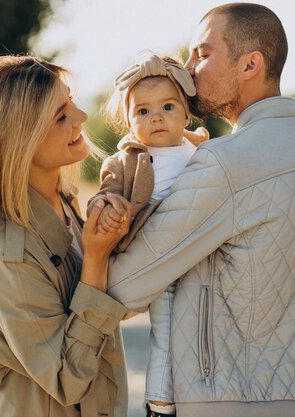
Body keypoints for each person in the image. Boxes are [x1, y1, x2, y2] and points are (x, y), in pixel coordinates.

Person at [107, 3, 295, 417]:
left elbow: (127, 286)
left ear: (251, 64)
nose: (187, 70)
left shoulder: (221, 163)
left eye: (202, 54)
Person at [0, 55, 132, 417]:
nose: (81, 117)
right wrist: (96, 258)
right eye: (61, 115)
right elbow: (66, 378)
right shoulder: (11, 250)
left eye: (70, 100)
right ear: (18, 140)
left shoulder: (63, 202)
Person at [86, 53, 208, 417]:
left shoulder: (201, 149)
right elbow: (104, 193)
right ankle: (159, 404)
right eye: (142, 111)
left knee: (202, 329)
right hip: (160, 256)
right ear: (128, 121)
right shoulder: (127, 161)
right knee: (166, 331)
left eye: (168, 107)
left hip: (201, 252)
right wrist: (105, 207)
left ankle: (201, 398)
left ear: (187, 113)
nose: (156, 117)